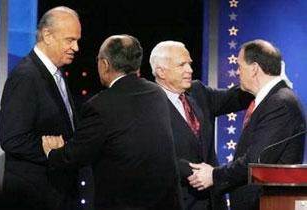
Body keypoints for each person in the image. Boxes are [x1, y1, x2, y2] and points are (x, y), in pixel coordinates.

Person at [42, 34, 183, 210]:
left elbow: (76, 155)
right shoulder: (157, 94)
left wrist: (53, 153)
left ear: (105, 64)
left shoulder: (101, 106)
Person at [188, 39, 306, 210]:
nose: (237, 72)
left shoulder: (280, 103)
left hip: (267, 203)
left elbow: (256, 161)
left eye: (239, 66)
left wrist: (214, 175)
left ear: (254, 69)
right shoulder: (272, 99)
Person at [149, 40, 253, 210]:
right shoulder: (147, 105)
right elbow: (149, 155)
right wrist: (190, 171)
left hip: (213, 202)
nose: (189, 70)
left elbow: (235, 98)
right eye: (181, 65)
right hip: (177, 201)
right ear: (161, 72)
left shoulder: (198, 92)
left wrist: (264, 81)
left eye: (189, 64)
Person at [0, 6, 81, 210]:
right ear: (47, 36)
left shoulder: (56, 73)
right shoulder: (26, 76)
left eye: (77, 40)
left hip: (57, 193)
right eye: (70, 40)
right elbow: (11, 138)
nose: (76, 47)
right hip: (35, 197)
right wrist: (52, 151)